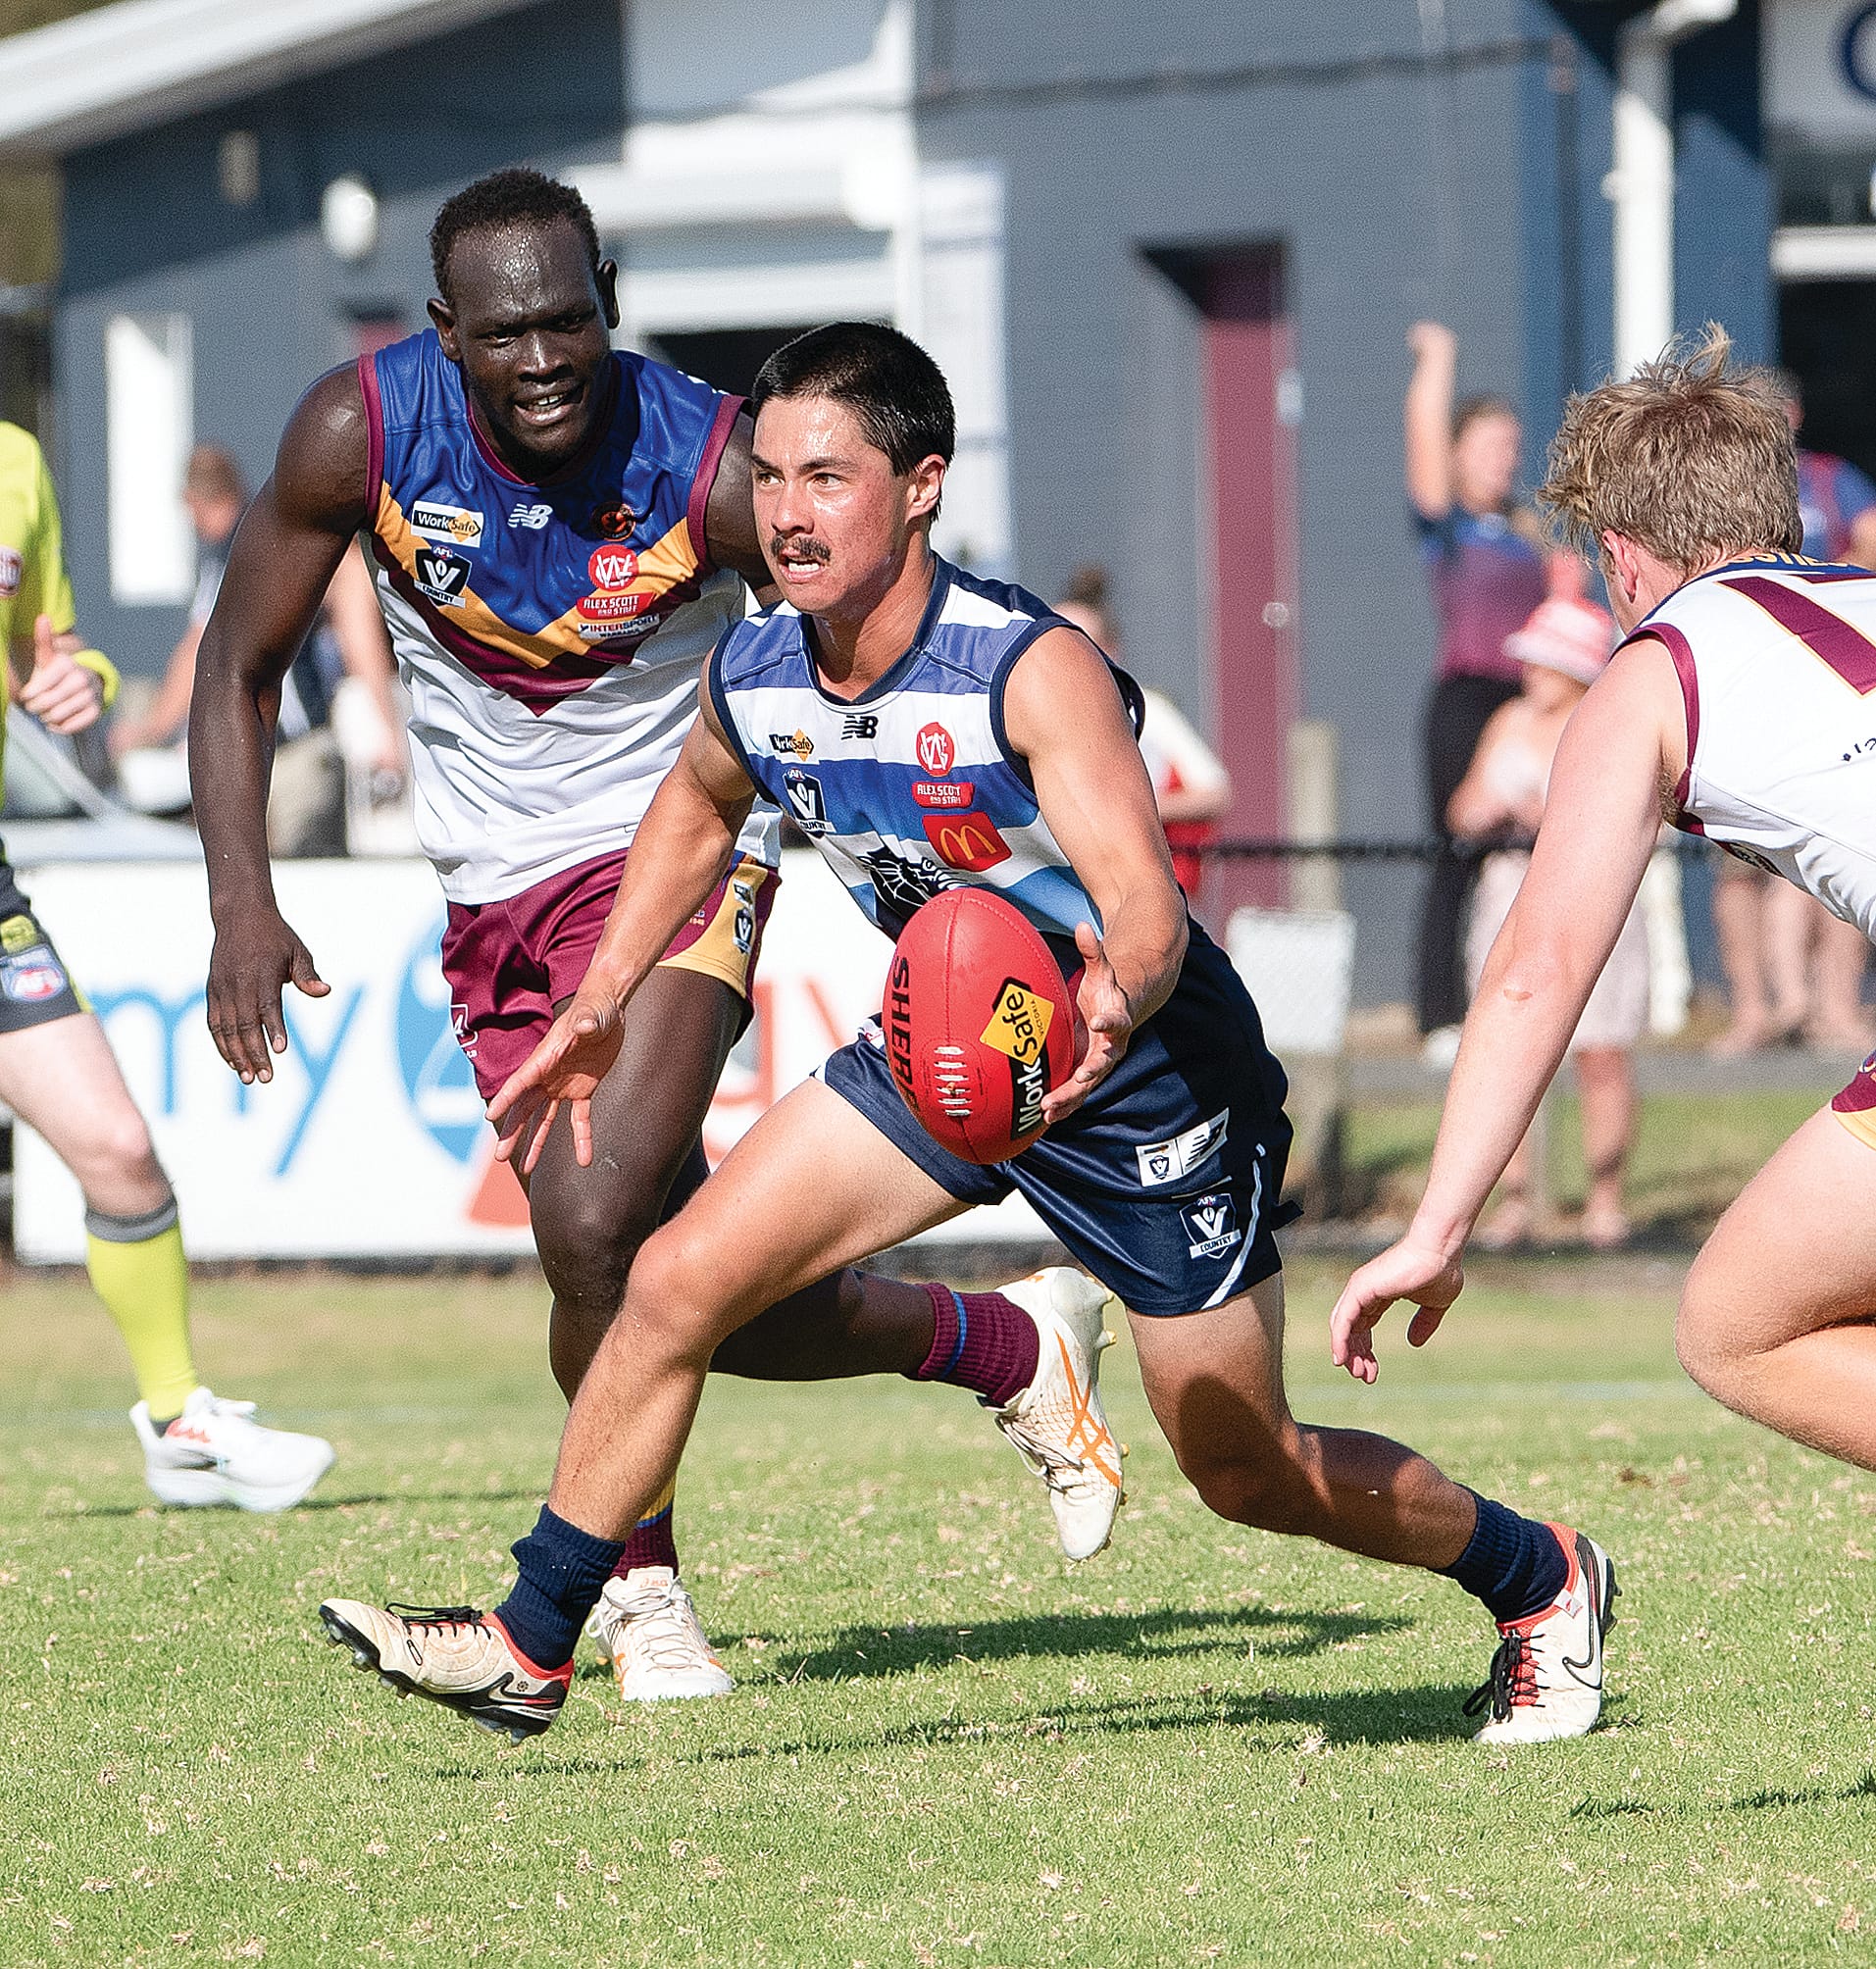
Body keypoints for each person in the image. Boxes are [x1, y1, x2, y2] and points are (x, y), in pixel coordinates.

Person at [318, 322, 1614, 1749]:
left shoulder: (1025, 666)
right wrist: (601, 997)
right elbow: (692, 812)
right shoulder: (756, 671)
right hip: (945, 1039)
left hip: (1144, 1081)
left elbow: (1143, 904)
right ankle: (533, 1637)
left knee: (1247, 1470)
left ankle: (1537, 1575)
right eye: (769, 476)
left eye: (828, 476)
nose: (788, 513)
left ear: (921, 484)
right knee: (673, 1278)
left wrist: (1108, 999)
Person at [189, 171, 1114, 1704]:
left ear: (608, 294)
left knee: (595, 1225)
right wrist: (242, 898)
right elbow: (240, 659)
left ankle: (635, 1592)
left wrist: (999, 807)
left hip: (680, 856)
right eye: (505, 333)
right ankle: (1004, 1348)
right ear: (444, 334)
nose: (543, 356)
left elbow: (873, 630)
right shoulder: (356, 432)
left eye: (570, 316)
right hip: (488, 892)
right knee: (666, 1273)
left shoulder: (705, 460)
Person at [1332, 334, 1876, 1723]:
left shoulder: (1651, 671)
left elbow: (1533, 971)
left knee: (1740, 1327)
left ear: (1625, 553)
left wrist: (1434, 1225)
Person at [0, 419, 332, 1509]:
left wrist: (78, 682)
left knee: (118, 1149)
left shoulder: (16, 462)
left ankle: (178, 1420)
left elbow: (48, 650)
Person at [1448, 595, 1645, 1250]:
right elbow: (1463, 809)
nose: (1529, 671)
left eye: (1543, 660)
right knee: (1504, 1048)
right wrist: (1491, 806)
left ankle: (1603, 1199)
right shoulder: (1505, 721)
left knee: (1601, 1050)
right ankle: (1512, 1199)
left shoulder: (1605, 721)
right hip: (1508, 886)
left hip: (1596, 888)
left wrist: (1552, 815)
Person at [113, 444, 405, 854]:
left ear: (193, 503)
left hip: (290, 755)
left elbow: (196, 651)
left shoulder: (252, 546)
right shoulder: (261, 536)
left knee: (294, 881)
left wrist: (151, 729)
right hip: (273, 750)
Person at [1705, 374, 1876, 1057]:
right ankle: (1756, 1010)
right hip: (1745, 694)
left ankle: (1832, 1008)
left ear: (1794, 415)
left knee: (1840, 846)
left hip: (1817, 690)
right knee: (1735, 864)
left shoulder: (1832, 481)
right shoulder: (1711, 489)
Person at [1403, 323, 1549, 1062]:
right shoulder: (1452, 527)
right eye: (1488, 444)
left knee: (1538, 853)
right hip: (1465, 700)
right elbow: (1423, 444)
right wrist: (1439, 361)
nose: (1503, 459)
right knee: (1456, 852)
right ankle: (1437, 1015)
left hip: (1526, 707)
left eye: (1510, 447)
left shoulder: (1526, 531)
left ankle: (1523, 995)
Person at [1053, 566, 1232, 905]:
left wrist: (1130, 809)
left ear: (1110, 649)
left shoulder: (1149, 710)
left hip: (1141, 892)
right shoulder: (1031, 715)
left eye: (1081, 643)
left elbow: (1215, 792)